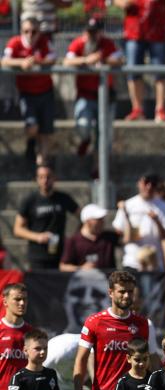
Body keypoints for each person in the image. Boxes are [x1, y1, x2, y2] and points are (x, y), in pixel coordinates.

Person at [63, 17, 124, 159]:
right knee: (83, 126)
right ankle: (86, 139)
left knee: (104, 136)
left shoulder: (106, 43)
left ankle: (98, 171)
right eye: (89, 32)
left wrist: (102, 59)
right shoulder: (79, 44)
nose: (91, 35)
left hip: (106, 96)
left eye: (95, 32)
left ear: (100, 32)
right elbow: (67, 61)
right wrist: (86, 60)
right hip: (85, 95)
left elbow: (120, 59)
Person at [2, 17, 56, 165]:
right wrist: (22, 63)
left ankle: (42, 167)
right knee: (32, 127)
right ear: (21, 31)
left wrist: (38, 62)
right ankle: (31, 143)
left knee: (46, 132)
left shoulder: (44, 41)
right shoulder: (15, 42)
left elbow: (53, 58)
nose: (30, 35)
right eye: (26, 31)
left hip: (46, 91)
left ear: (39, 32)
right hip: (27, 93)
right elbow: (4, 60)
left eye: (34, 31)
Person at [13, 164, 78, 270]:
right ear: (37, 179)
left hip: (60, 254)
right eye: (41, 177)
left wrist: (73, 237)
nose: (45, 180)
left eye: (48, 176)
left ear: (54, 178)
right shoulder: (30, 200)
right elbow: (17, 229)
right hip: (38, 256)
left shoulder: (63, 198)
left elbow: (82, 216)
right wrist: (38, 237)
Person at [115, 0, 165, 122]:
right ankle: (137, 109)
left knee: (160, 72)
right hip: (134, 32)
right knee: (133, 72)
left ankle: (160, 110)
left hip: (157, 31)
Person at [113, 173, 165, 272]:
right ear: (139, 184)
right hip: (132, 261)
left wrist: (157, 221)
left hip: (154, 262)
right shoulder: (128, 205)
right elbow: (118, 231)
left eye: (153, 184)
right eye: (146, 182)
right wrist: (129, 234)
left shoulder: (164, 206)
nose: (149, 187)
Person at [60, 203, 119, 272]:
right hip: (84, 281)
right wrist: (81, 268)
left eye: (102, 219)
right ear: (87, 221)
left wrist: (124, 212)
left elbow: (127, 238)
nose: (102, 222)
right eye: (98, 219)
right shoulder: (73, 241)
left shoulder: (108, 237)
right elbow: (63, 266)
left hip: (108, 281)